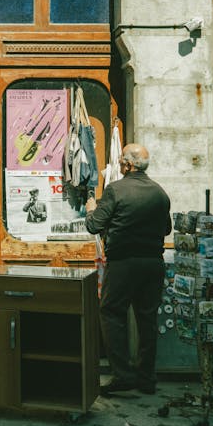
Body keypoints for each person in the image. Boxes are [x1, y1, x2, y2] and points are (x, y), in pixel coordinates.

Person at [85, 143, 171, 396]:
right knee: (147, 318)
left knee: (111, 313)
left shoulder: (115, 190)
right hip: (153, 263)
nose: (120, 164)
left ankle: (123, 375)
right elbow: (166, 229)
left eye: (122, 160)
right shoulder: (160, 193)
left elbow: (94, 226)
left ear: (128, 165)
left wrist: (91, 211)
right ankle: (146, 379)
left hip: (124, 263)